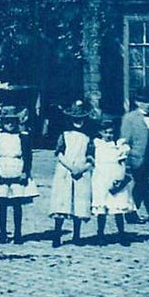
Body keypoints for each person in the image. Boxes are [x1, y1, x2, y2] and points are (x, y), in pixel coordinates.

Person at [0, 106, 39, 244]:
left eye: (13, 122)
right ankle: (3, 233)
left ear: (17, 123)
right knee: (2, 203)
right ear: (2, 123)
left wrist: (25, 172)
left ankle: (18, 234)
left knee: (17, 203)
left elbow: (28, 156)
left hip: (17, 167)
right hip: (1, 167)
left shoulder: (23, 137)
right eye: (7, 122)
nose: (10, 124)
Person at [49, 100, 95, 248]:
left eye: (81, 116)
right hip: (65, 170)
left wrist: (82, 168)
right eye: (75, 117)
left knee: (79, 202)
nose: (78, 119)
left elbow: (91, 156)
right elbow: (59, 153)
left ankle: (77, 235)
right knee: (62, 202)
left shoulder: (89, 136)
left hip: (81, 171)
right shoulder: (64, 134)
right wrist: (70, 167)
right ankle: (57, 236)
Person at [119, 97, 149, 228]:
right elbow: (125, 139)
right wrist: (124, 156)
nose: (148, 104)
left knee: (141, 186)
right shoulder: (130, 118)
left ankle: (130, 211)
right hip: (135, 158)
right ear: (137, 103)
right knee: (143, 186)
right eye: (144, 102)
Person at [91, 117, 136, 245]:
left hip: (115, 177)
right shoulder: (97, 144)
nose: (109, 135)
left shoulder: (118, 146)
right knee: (102, 208)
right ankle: (100, 234)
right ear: (101, 132)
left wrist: (121, 178)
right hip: (101, 178)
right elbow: (92, 160)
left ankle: (121, 234)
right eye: (106, 132)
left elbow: (122, 164)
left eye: (111, 132)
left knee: (118, 207)